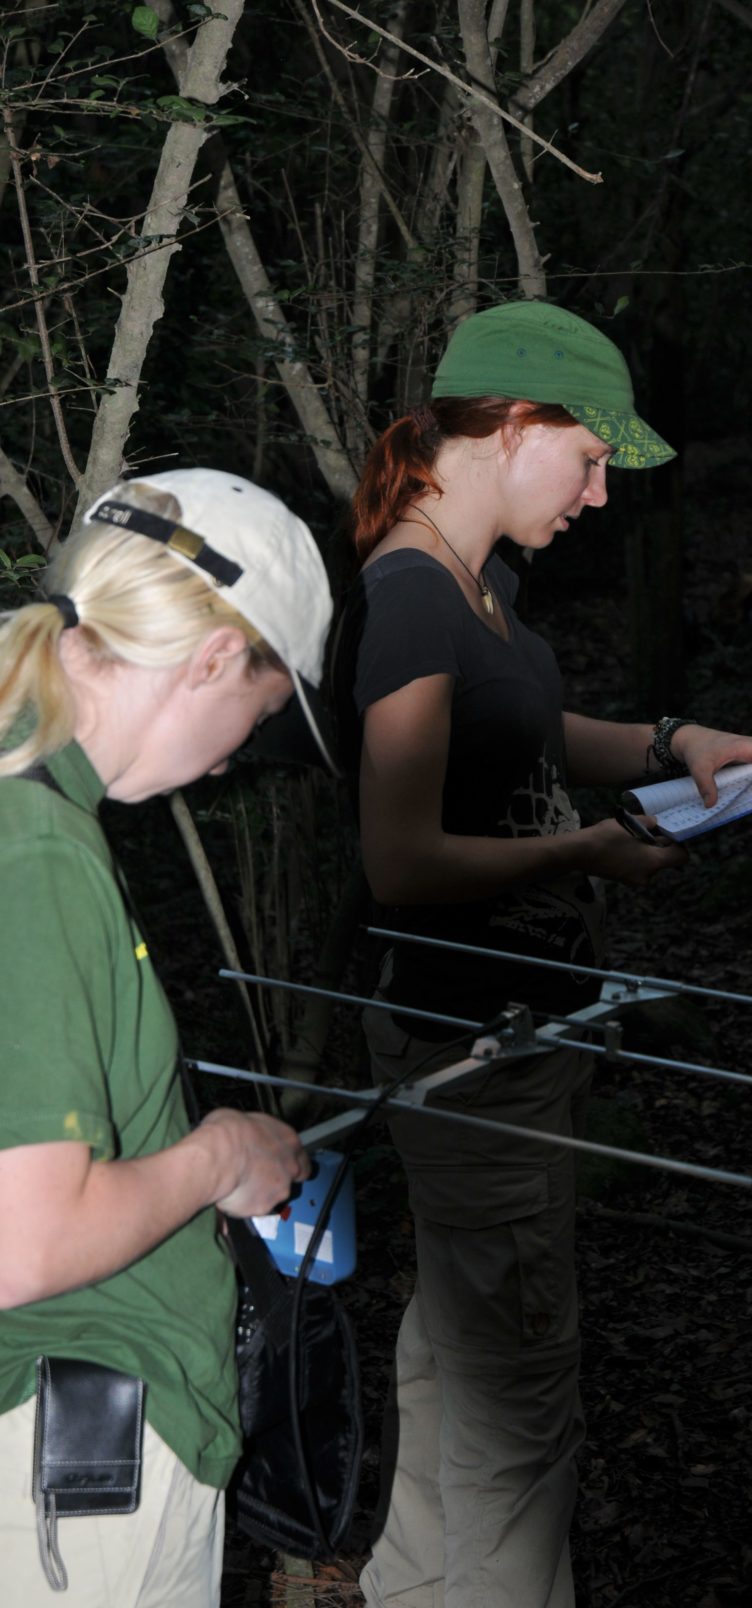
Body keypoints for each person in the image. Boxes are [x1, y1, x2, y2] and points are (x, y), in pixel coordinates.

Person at [336, 300, 752, 1608]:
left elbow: (529, 731)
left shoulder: (476, 583)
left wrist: (672, 742)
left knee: (457, 1375)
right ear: (517, 425)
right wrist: (583, 855)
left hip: (506, 1044)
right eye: (589, 460)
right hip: (475, 1052)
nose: (599, 494)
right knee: (522, 1419)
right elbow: (401, 859)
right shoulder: (415, 600)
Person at [0, 467, 335, 1606]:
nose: (240, 752)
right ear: (207, 661)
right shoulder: (34, 848)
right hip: (77, 1460)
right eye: (264, 706)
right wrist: (220, 1159)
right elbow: (25, 1244)